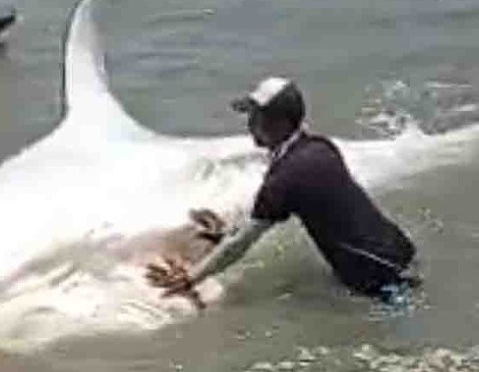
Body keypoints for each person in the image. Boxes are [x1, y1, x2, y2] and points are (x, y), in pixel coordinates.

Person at [146, 77, 418, 302]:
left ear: (278, 124)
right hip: (398, 250)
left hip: (377, 278)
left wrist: (191, 278)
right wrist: (229, 233)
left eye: (255, 116)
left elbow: (243, 244)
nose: (249, 124)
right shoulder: (320, 147)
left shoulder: (286, 178)